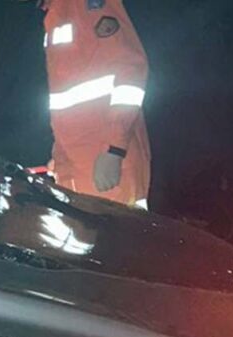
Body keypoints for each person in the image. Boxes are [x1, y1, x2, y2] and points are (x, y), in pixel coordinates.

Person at [38, 0, 151, 208]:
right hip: (77, 174)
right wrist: (60, 157)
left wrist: (114, 150)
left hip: (108, 173)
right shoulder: (55, 15)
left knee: (119, 238)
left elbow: (130, 71)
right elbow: (68, 100)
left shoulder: (87, 4)